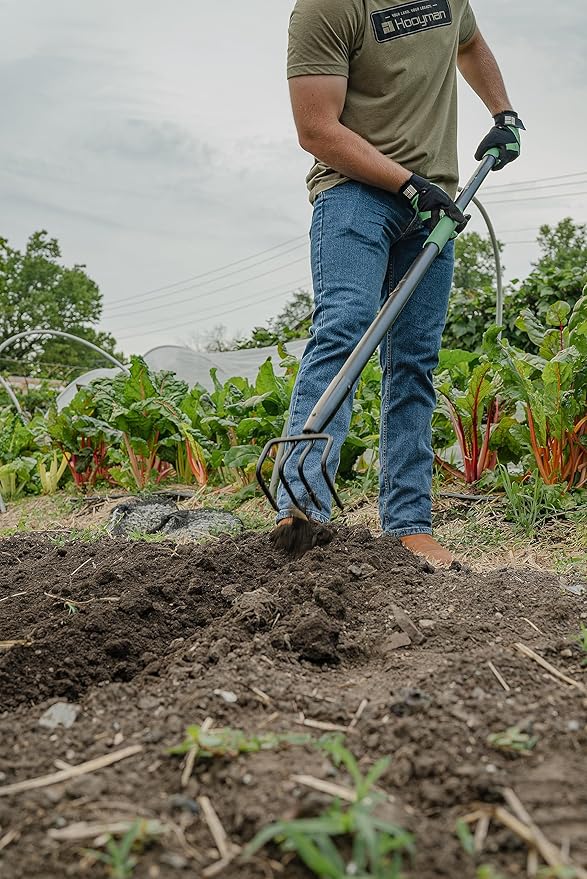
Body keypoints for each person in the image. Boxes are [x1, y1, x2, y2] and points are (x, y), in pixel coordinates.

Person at [275, 0, 524, 566]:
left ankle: (409, 524)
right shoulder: (327, 8)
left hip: (434, 204)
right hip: (355, 194)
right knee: (344, 329)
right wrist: (407, 184)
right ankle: (302, 510)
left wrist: (503, 112)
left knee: (414, 360)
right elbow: (316, 129)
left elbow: (468, 42)